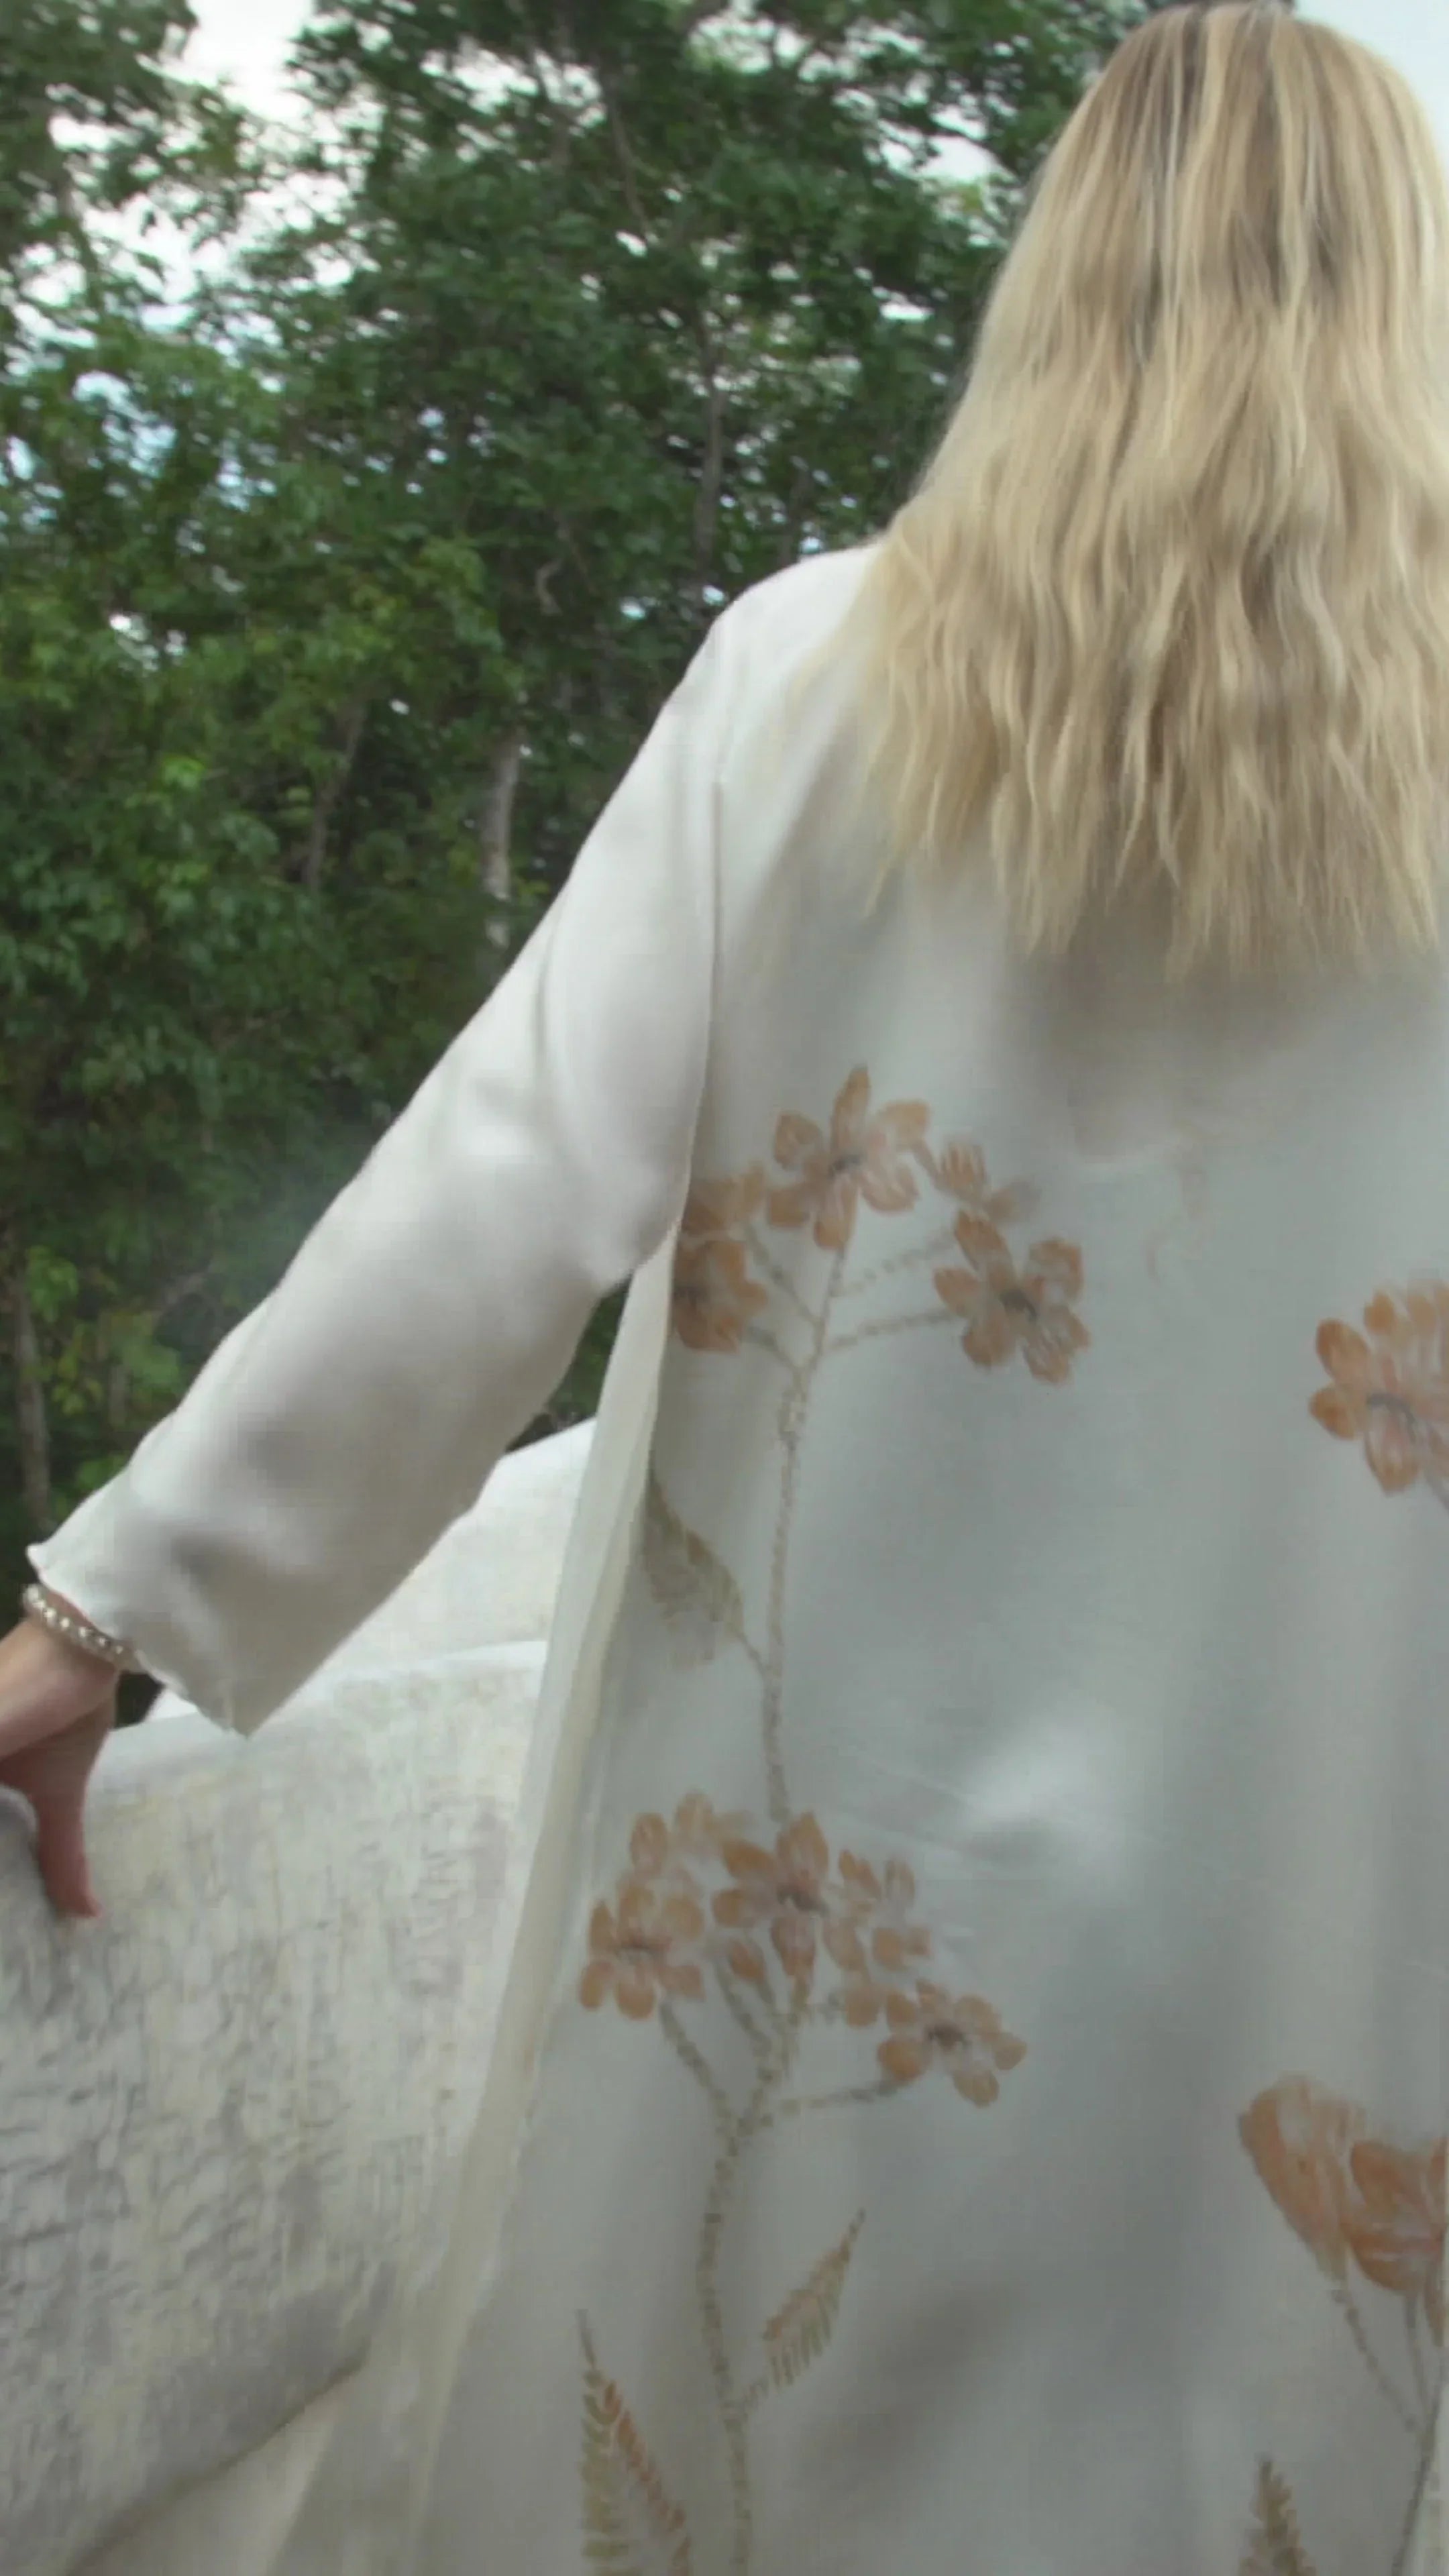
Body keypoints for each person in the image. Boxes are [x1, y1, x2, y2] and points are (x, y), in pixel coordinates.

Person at [3, 2, 1448, 2567]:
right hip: (1300, 1934)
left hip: (825, 1900)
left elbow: (491, 1209)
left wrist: (98, 1611)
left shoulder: (815, 680)